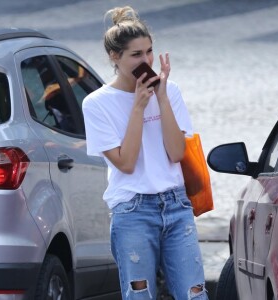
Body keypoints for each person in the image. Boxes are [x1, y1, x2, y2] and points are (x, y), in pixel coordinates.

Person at [82, 6, 208, 300]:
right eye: (136, 54)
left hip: (176, 206)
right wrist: (138, 106)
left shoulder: (170, 91)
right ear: (115, 57)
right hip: (133, 211)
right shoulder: (97, 104)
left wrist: (161, 99)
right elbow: (125, 163)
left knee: (194, 294)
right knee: (140, 295)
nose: (147, 60)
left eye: (149, 51)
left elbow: (176, 153)